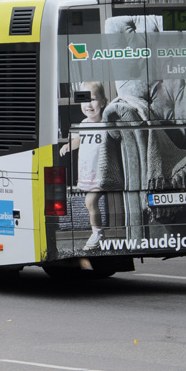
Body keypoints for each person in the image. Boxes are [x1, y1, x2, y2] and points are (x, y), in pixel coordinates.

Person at [59, 81, 109, 250]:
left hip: (102, 174)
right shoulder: (84, 124)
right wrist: (68, 146)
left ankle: (97, 233)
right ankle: (98, 232)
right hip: (88, 173)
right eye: (84, 100)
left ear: (102, 102)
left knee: (90, 201)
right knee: (90, 203)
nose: (88, 104)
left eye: (93, 99)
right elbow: (80, 139)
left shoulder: (106, 124)